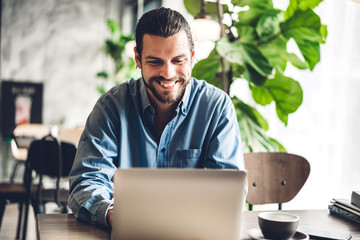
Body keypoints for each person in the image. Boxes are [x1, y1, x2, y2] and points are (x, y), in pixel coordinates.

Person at [68, 7, 245, 228]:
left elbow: (227, 189)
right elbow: (87, 179)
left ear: (192, 57)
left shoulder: (217, 108)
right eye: (155, 61)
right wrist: (114, 215)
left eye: (178, 60)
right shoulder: (111, 107)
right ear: (138, 58)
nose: (168, 73)